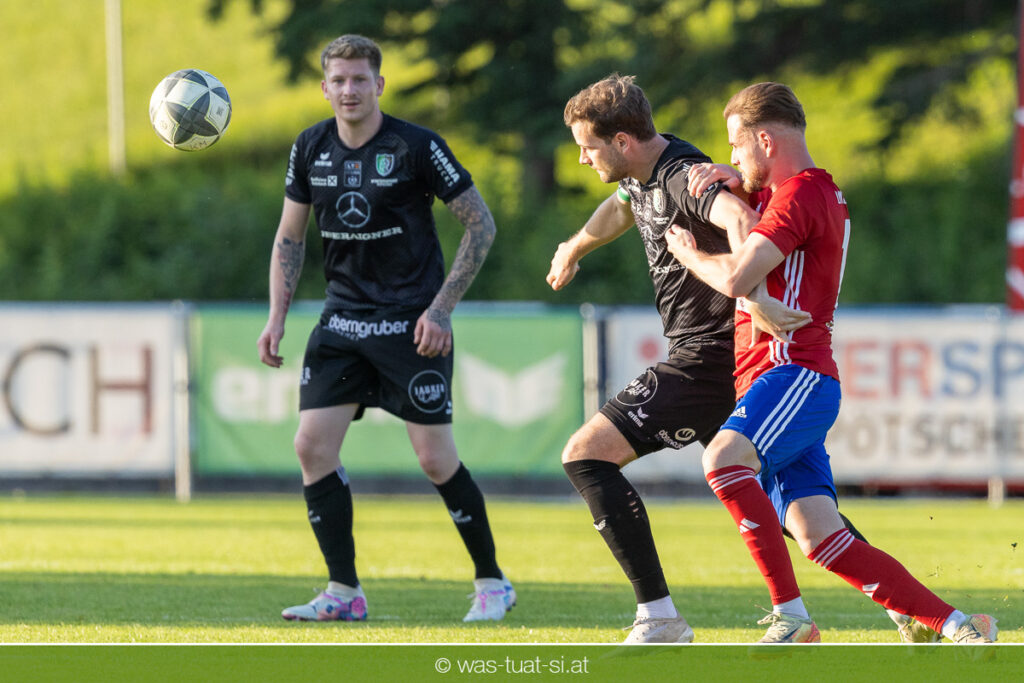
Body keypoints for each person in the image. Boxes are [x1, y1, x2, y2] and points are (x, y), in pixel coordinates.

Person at [548, 74, 892, 644]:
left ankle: (659, 616)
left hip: (707, 360)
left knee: (585, 456)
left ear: (623, 141)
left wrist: (752, 296)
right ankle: (905, 608)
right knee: (800, 515)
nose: (583, 158)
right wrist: (574, 246)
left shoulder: (683, 176)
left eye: (588, 146)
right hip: (723, 360)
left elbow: (739, 220)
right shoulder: (641, 178)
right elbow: (620, 208)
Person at [665, 81, 997, 644]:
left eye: (737, 144)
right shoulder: (799, 192)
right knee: (820, 537)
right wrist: (736, 180)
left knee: (722, 461)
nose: (733, 156)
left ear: (765, 140)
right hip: (777, 380)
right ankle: (959, 625)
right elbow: (757, 221)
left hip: (793, 372)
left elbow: (738, 278)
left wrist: (690, 254)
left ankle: (791, 616)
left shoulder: (801, 194)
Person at [257, 34, 514, 624]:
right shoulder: (310, 147)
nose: (349, 90)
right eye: (338, 80)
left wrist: (441, 309)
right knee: (311, 446)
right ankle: (343, 591)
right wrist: (277, 317)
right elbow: (290, 238)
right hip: (341, 321)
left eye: (359, 79)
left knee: (434, 459)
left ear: (379, 84)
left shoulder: (417, 146)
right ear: (325, 89)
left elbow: (481, 225)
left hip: (412, 325)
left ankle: (492, 582)